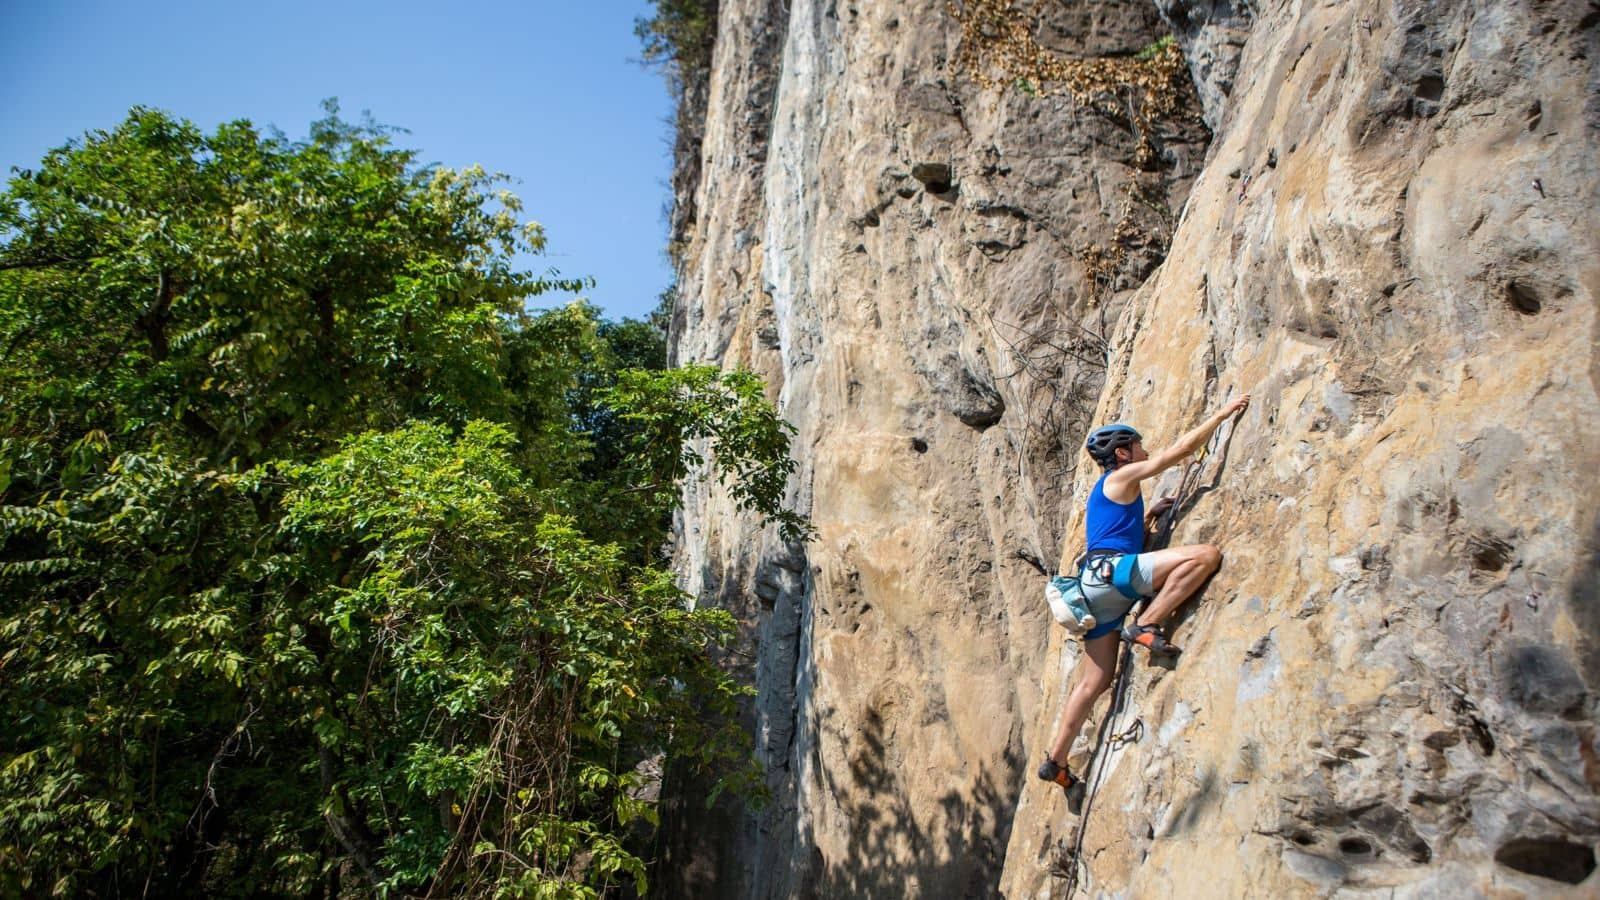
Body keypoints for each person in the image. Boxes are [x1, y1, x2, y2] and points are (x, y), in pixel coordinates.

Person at [1037, 395, 1251, 804]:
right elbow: (1178, 454)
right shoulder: (1122, 476)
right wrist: (1222, 414)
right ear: (1122, 453)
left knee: (1092, 683)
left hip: (1095, 590)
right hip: (1114, 577)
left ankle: (1058, 763)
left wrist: (1148, 518)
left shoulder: (1112, 491)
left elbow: (1115, 534)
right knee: (1206, 556)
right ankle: (1148, 623)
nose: (1143, 449)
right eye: (1136, 445)